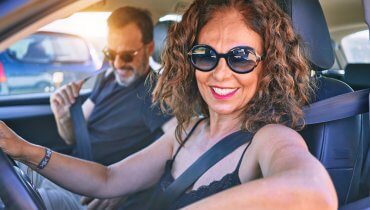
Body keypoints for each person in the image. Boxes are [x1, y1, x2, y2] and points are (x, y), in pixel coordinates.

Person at [0, 0, 338, 209]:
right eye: (205, 55)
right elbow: (107, 179)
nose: (220, 74)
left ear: (267, 65)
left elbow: (314, 193)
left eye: (241, 57)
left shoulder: (270, 139)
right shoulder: (187, 130)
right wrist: (25, 150)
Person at [33, 6, 173, 210]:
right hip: (70, 172)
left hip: (89, 194)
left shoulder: (155, 92)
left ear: (149, 48)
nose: (117, 63)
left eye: (127, 55)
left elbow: (180, 147)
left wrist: (128, 185)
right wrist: (62, 115)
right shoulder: (106, 79)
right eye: (111, 53)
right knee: (17, 170)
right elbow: (73, 137)